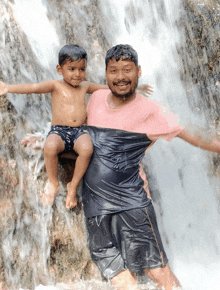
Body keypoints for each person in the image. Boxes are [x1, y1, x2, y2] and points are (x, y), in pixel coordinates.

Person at [21, 44, 220, 290]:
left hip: (132, 205)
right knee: (117, 275)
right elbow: (80, 136)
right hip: (96, 209)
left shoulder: (151, 110)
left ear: (138, 72)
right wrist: (45, 140)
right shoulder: (96, 100)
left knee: (156, 271)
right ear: (105, 74)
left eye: (127, 70)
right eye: (114, 71)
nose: (121, 76)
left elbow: (195, 135)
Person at [0, 44, 152, 209]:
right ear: (60, 69)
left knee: (87, 149)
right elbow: (33, 88)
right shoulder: (55, 85)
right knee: (50, 147)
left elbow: (107, 89)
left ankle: (73, 185)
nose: (77, 74)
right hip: (59, 130)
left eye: (81, 69)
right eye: (72, 69)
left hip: (80, 131)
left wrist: (134, 88)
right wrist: (8, 88)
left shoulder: (85, 86)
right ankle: (53, 183)